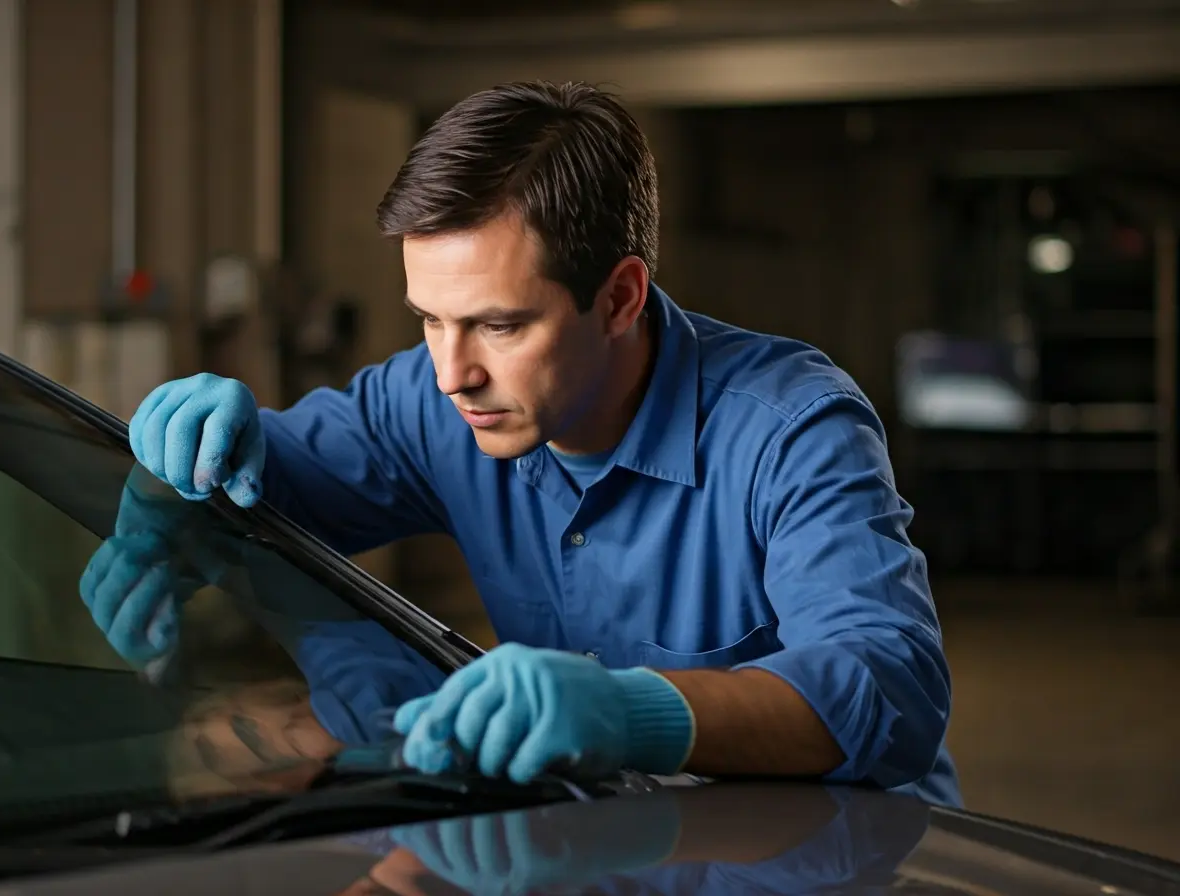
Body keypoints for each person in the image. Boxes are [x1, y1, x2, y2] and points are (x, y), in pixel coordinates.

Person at [89, 80, 961, 807]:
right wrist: (169, 489)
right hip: (603, 848)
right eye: (430, 320)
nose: (450, 373)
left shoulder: (789, 427)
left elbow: (889, 689)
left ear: (620, 298)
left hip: (839, 864)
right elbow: (262, 489)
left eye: (498, 325)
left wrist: (636, 713)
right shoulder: (433, 403)